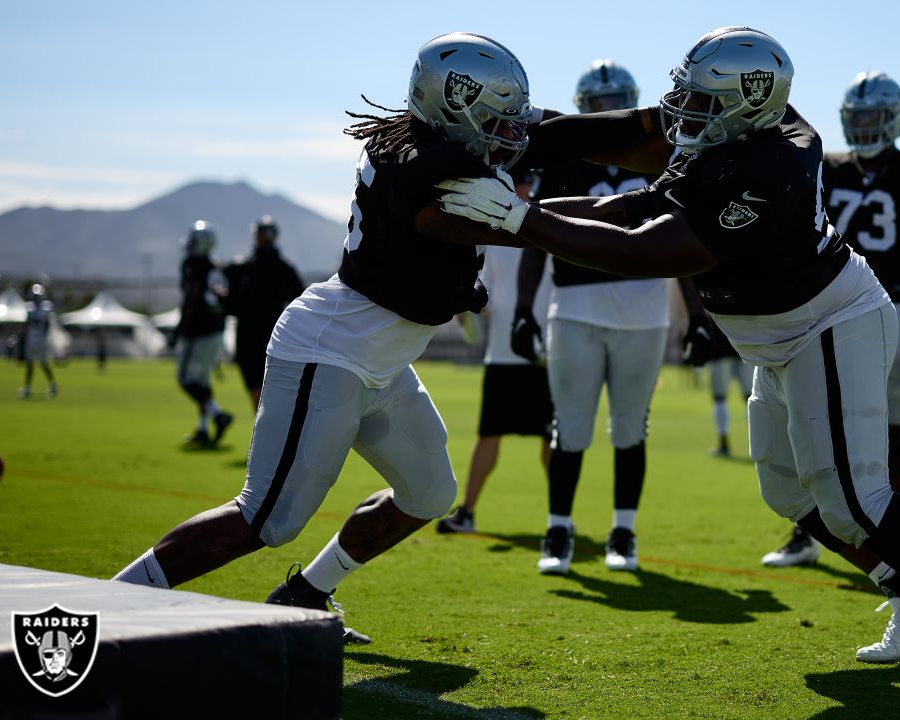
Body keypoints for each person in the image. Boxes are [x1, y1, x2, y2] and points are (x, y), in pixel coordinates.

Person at [435, 26, 900, 693]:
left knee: (858, 499)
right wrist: (526, 153)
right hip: (780, 336)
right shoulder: (740, 135)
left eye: (699, 100)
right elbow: (633, 193)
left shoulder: (765, 169)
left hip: (828, 324)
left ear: (747, 102)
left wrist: (520, 221)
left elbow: (647, 249)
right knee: (786, 491)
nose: (682, 112)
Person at [114, 31, 623, 645]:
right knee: (267, 517)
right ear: (451, 106)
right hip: (329, 351)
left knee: (430, 493)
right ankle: (113, 603)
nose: (508, 131)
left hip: (380, 361)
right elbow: (534, 223)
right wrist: (640, 208)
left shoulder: (422, 145)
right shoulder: (433, 165)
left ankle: (306, 593)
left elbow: (452, 229)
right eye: (495, 116)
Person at [761, 71, 900, 567]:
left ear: (894, 118)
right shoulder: (827, 164)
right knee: (806, 423)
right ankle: (810, 535)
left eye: (874, 116)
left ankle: (891, 540)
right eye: (858, 117)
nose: (866, 126)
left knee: (891, 430)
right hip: (831, 307)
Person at [511, 59, 703, 575]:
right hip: (574, 308)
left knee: (629, 430)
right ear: (584, 108)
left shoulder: (665, 158)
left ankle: (624, 531)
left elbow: (682, 237)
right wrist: (524, 308)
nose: (606, 112)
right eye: (597, 105)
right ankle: (558, 530)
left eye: (613, 103)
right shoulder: (564, 160)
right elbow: (533, 237)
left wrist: (697, 314)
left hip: (642, 310)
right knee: (569, 429)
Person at [436, 197, 555, 534]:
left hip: (547, 355)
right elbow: (481, 293)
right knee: (488, 434)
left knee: (553, 440)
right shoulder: (494, 235)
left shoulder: (554, 229)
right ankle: (467, 513)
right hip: (502, 354)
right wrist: (469, 308)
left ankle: (561, 520)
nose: (524, 187)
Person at [222, 216, 306, 409]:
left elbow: (231, 303)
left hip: (248, 334)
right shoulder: (284, 268)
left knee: (254, 385)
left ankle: (263, 428)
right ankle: (269, 427)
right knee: (270, 384)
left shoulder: (243, 268)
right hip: (276, 333)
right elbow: (301, 300)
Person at [174, 221, 234, 446]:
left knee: (186, 380)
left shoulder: (194, 264)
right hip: (217, 328)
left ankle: (218, 415)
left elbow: (191, 299)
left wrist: (180, 330)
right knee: (202, 381)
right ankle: (202, 428)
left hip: (199, 330)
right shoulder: (216, 265)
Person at [704, 322, 752, 458]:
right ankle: (757, 443)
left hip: (721, 349)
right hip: (744, 347)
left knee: (720, 398)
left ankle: (723, 443)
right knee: (750, 399)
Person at [18, 283, 57, 399]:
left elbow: (47, 325)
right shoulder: (31, 308)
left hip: (41, 340)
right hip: (32, 339)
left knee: (43, 364)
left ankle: (52, 385)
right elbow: (27, 324)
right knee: (30, 364)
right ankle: (27, 388)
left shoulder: (46, 308)